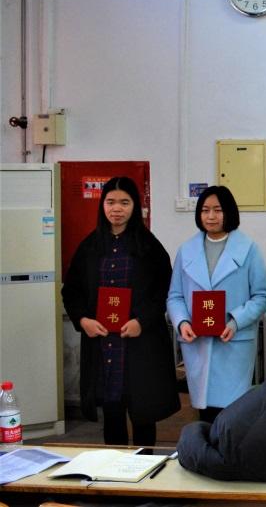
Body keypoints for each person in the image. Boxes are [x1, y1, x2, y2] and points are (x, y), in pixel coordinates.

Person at [61, 176, 180, 445]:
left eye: (124, 202)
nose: (117, 208)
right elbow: (72, 291)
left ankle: (145, 465)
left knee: (143, 411)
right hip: (104, 341)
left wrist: (142, 321)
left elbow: (165, 290)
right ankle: (114, 466)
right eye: (111, 202)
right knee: (112, 409)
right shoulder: (90, 246)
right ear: (102, 205)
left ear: (134, 206)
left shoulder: (149, 246)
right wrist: (83, 320)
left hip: (139, 341)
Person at [167, 185, 266, 423]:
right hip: (198, 342)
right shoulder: (186, 250)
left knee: (233, 414)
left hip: (233, 342)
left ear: (229, 212)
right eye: (205, 210)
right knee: (205, 415)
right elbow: (175, 296)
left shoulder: (248, 249)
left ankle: (230, 449)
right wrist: (182, 322)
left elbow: (261, 296)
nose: (211, 216)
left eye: (217, 210)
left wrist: (235, 322)